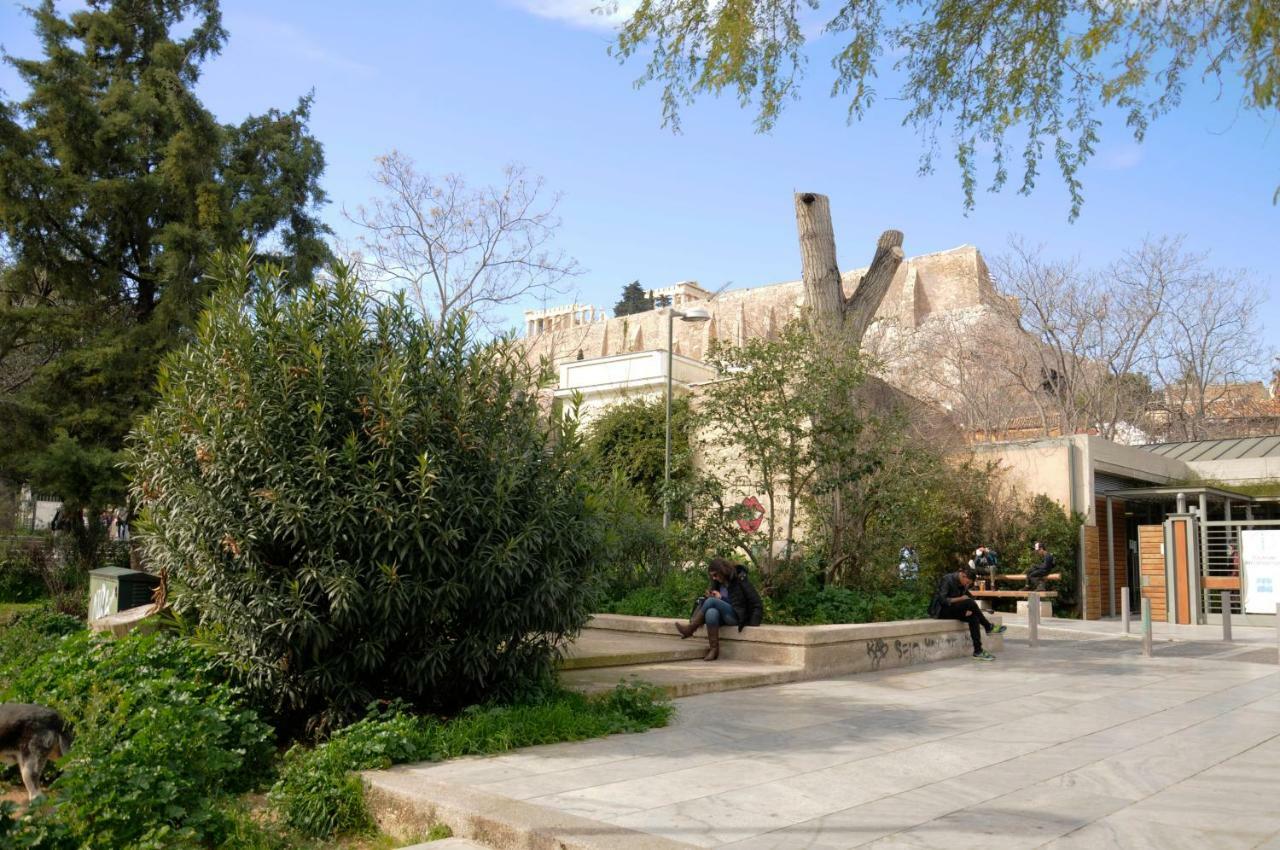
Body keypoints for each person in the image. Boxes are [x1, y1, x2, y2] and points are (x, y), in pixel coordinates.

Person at [675, 557, 764, 661]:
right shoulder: (717, 583)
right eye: (712, 576)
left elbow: (756, 602)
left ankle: (690, 629)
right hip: (723, 617)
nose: (714, 578)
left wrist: (753, 623)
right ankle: (714, 649)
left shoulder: (740, 578)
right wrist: (709, 597)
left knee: (712, 602)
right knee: (711, 612)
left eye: (715, 575)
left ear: (722, 571)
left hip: (736, 616)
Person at [929, 567, 1006, 661]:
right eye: (967, 582)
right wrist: (961, 599)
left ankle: (978, 651)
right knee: (969, 603)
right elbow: (943, 600)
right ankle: (988, 627)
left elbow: (970, 598)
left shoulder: (963, 583)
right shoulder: (947, 579)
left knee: (974, 617)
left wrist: (970, 608)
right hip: (941, 611)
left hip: (953, 609)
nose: (968, 584)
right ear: (962, 575)